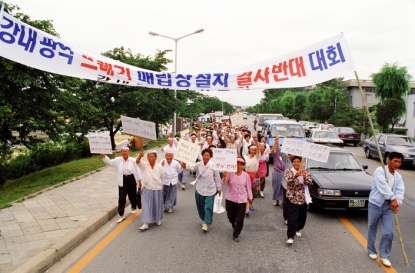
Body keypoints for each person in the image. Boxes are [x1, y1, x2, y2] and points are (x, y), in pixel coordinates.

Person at [367, 152, 405, 267]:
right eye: (395, 161)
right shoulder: (380, 171)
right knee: (372, 226)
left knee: (388, 232)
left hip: (389, 206)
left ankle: (384, 255)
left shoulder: (398, 176)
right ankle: (371, 250)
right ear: (389, 160)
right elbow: (383, 186)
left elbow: (400, 190)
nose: (397, 164)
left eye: (399, 162)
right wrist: (392, 198)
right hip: (375, 204)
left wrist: (397, 202)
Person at [181, 149, 222, 232]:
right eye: (204, 155)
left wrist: (219, 188)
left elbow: (217, 177)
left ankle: (206, 222)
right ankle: (203, 219)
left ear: (210, 157)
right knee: (200, 206)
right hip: (200, 188)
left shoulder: (213, 165)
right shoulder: (198, 164)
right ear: (202, 156)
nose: (206, 157)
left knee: (208, 206)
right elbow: (191, 167)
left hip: (211, 190)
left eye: (208, 155)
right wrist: (184, 165)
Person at [100, 147, 141, 223]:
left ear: (128, 152)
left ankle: (133, 206)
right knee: (122, 197)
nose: (124, 152)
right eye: (123, 151)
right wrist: (104, 156)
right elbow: (109, 162)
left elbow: (137, 170)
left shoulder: (133, 160)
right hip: (122, 179)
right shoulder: (117, 160)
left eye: (126, 151)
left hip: (131, 178)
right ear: (121, 152)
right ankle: (121, 214)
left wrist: (139, 180)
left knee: (132, 195)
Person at [222, 157, 253, 242]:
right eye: (237, 164)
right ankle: (233, 223)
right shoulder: (230, 173)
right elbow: (223, 183)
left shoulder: (246, 175)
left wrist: (250, 198)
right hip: (230, 198)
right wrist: (224, 176)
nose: (239, 166)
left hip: (242, 199)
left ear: (243, 166)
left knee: (240, 218)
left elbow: (248, 188)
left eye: (241, 165)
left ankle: (236, 234)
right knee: (230, 215)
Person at [284, 156, 312, 245]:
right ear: (292, 163)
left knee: (302, 216)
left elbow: (310, 182)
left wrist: (304, 177)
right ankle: (290, 236)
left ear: (301, 163)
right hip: (292, 197)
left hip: (302, 197)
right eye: (294, 162)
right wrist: (296, 175)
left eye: (298, 162)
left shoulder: (305, 171)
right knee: (292, 216)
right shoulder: (289, 171)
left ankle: (298, 228)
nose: (296, 163)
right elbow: (288, 180)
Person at [136, 150, 165, 231]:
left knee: (157, 204)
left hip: (157, 188)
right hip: (147, 188)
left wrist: (159, 185)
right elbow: (137, 162)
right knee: (146, 205)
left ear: (156, 157)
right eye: (149, 157)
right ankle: (145, 223)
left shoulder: (159, 167)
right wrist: (139, 156)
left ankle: (157, 219)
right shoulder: (145, 165)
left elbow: (162, 177)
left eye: (152, 157)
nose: (151, 158)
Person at [243, 136, 260, 216]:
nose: (254, 151)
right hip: (247, 175)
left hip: (255, 175)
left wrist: (256, 141)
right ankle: (247, 208)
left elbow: (259, 150)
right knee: (247, 191)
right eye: (252, 150)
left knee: (254, 191)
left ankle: (251, 203)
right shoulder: (245, 157)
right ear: (249, 150)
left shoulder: (257, 157)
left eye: (255, 150)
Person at [271, 137, 285, 206]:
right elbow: (273, 150)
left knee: (283, 187)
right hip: (276, 172)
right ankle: (277, 201)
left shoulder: (285, 156)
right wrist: (275, 143)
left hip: (284, 172)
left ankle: (283, 200)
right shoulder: (276, 154)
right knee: (276, 186)